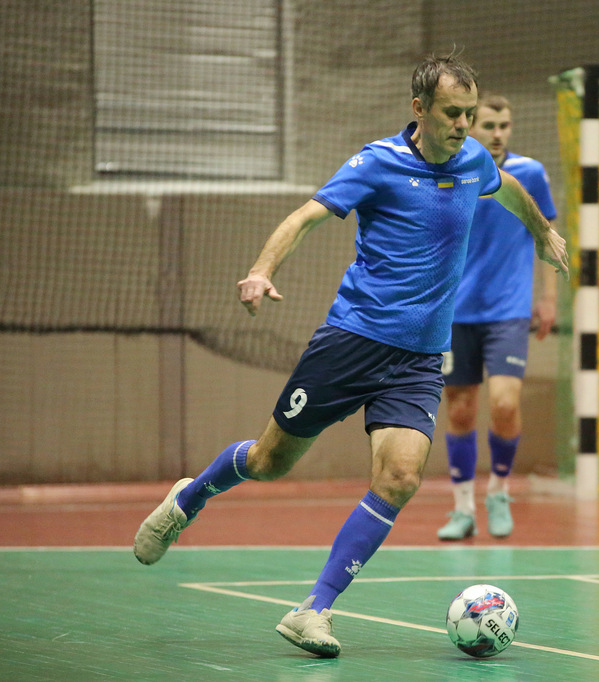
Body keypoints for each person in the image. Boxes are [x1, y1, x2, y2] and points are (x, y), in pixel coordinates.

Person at [132, 52, 569, 658]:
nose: (464, 125)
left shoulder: (473, 160)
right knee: (268, 461)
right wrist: (261, 270)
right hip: (352, 342)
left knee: (401, 477)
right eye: (452, 113)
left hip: (419, 360)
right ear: (419, 108)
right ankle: (189, 497)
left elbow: (507, 187)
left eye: (470, 113)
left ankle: (313, 609)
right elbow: (305, 217)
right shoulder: (377, 163)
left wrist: (542, 233)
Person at [436, 94, 559, 541]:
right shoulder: (450, 172)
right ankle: (462, 508)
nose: (498, 133)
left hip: (508, 310)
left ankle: (499, 492)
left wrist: (548, 298)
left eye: (504, 125)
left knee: (505, 404)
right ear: (470, 126)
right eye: (489, 125)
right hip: (456, 311)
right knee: (461, 409)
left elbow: (547, 234)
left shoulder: (530, 173)